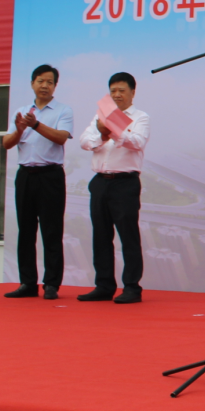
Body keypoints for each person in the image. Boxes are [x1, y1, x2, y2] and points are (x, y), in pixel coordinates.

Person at [2, 64, 74, 300]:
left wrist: (35, 125)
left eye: (50, 82)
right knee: (25, 231)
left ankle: (51, 284)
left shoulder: (63, 110)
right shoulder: (22, 111)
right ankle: (28, 283)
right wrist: (20, 129)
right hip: (25, 175)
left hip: (50, 176)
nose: (45, 85)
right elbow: (6, 143)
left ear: (55, 86)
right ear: (32, 83)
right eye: (41, 81)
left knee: (52, 231)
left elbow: (61, 138)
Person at [77, 72, 150, 304]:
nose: (117, 95)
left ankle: (132, 287)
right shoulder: (99, 116)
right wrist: (102, 133)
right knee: (101, 236)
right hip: (100, 182)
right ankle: (104, 286)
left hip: (125, 183)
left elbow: (137, 142)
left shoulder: (141, 117)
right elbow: (85, 141)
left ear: (132, 92)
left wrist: (115, 127)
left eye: (122, 90)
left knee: (128, 236)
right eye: (113, 91)